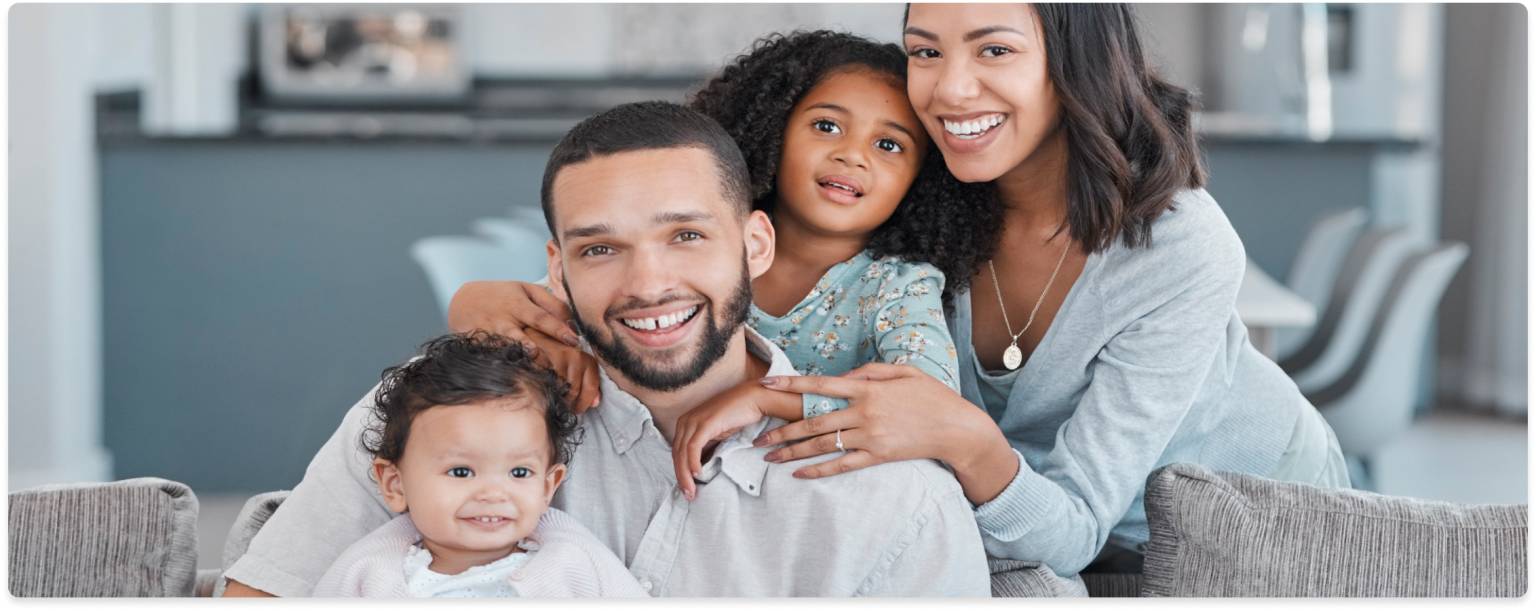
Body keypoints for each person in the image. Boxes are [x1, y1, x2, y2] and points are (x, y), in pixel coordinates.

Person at [456, 5, 1352, 579]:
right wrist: (485, 305)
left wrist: (953, 430)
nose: (948, 89)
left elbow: (1073, 517)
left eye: (993, 49)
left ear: (1075, 60)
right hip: (1028, 523)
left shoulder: (1180, 247)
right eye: (926, 50)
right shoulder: (925, 194)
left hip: (1250, 519)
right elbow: (670, 269)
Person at [222, 101, 991, 597]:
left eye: (686, 236)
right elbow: (263, 593)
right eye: (600, 250)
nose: (648, 283)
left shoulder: (893, 498)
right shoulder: (440, 415)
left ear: (756, 243)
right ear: (556, 268)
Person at [448, 31, 1001, 496]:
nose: (852, 155)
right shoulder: (693, 243)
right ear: (773, 129)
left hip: (802, 493)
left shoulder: (897, 287)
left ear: (921, 179)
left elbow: (925, 401)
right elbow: (577, 298)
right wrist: (471, 302)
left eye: (890, 146)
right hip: (646, 472)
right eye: (827, 126)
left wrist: (764, 397)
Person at [311, 333, 646, 598]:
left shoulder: (574, 565)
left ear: (548, 485)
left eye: (519, 473)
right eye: (461, 472)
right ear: (395, 484)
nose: (492, 493)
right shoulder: (367, 574)